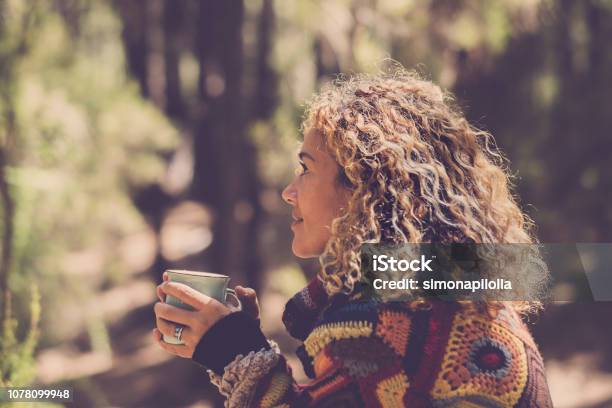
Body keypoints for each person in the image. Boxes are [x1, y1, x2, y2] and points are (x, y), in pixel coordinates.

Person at [153, 68, 553, 407]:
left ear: (362, 189)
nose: (288, 191)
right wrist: (238, 348)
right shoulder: (446, 283)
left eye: (306, 169)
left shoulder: (384, 325)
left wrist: (235, 353)